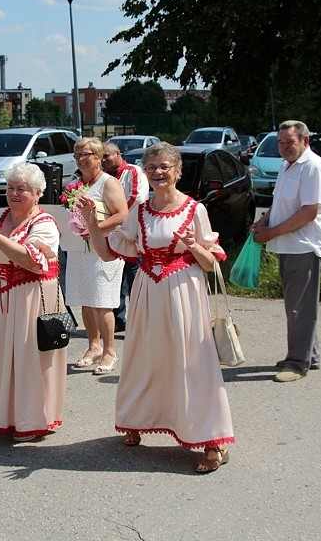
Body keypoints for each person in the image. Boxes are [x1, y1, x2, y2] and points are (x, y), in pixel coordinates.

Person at [79, 141, 235, 473]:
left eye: (165, 167)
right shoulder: (140, 211)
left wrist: (195, 247)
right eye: (151, 168)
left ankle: (211, 440)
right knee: (146, 358)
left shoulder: (195, 210)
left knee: (192, 362)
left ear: (177, 171)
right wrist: (92, 223)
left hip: (184, 293)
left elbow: (211, 265)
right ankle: (138, 420)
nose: (158, 173)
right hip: (148, 292)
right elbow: (109, 253)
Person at [0, 162, 66, 441]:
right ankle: (4, 414)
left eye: (22, 189)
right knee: (0, 354)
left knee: (28, 357)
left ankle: (31, 420)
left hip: (33, 295)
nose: (14, 193)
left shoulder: (44, 223)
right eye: (10, 188)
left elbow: (30, 260)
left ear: (38, 193)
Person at [250, 120, 321, 383]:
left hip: (304, 246)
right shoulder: (289, 166)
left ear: (305, 141)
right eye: (281, 143)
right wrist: (264, 222)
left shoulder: (312, 167)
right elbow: (281, 204)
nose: (284, 148)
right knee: (297, 305)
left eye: (290, 142)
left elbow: (309, 212)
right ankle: (310, 354)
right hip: (288, 244)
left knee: (299, 307)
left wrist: (271, 232)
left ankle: (298, 363)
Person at [64, 137, 129, 375]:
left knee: (103, 302)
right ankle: (93, 346)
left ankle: (110, 351)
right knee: (85, 299)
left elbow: (122, 215)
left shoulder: (108, 183)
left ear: (99, 157)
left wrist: (94, 230)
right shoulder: (75, 184)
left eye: (86, 154)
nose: (81, 159)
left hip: (104, 249)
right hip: (79, 250)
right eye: (77, 155)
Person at [101, 140, 148, 332]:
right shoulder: (104, 177)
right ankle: (119, 320)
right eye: (101, 157)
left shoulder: (133, 172)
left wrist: (115, 214)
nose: (103, 160)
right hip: (113, 237)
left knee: (135, 281)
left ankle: (140, 322)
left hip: (132, 236)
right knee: (116, 281)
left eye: (106, 156)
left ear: (118, 154)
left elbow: (137, 197)